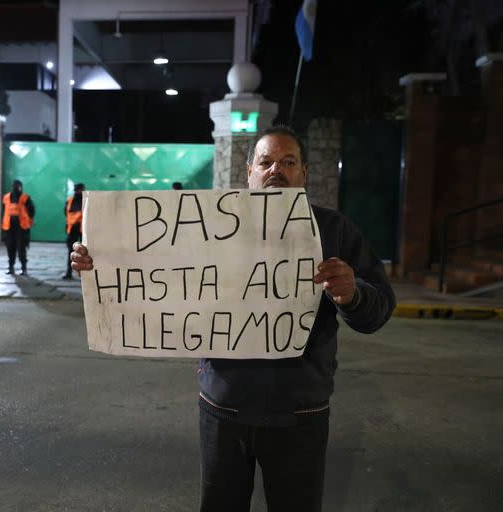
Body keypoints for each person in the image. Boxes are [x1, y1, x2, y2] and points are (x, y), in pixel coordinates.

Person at [70, 126, 396, 512]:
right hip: (222, 410)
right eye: (266, 162)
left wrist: (351, 294)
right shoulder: (212, 225)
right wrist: (100, 263)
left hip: (299, 414)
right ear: (249, 173)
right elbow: (155, 271)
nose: (277, 170)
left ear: (304, 173)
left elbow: (378, 308)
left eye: (288, 162)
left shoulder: (334, 230)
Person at [1, 179, 35, 275]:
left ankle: (24, 268)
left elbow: (31, 210)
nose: (16, 189)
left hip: (21, 227)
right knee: (10, 247)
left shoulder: (25, 198)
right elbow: (5, 210)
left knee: (21, 248)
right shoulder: (6, 197)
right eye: (15, 187)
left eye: (18, 187)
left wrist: (29, 222)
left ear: (21, 187)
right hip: (9, 227)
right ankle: (11, 267)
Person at [62, 183, 85, 280]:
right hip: (74, 230)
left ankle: (80, 273)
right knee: (71, 253)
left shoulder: (72, 201)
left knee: (85, 253)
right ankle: (69, 272)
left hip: (82, 230)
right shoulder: (71, 201)